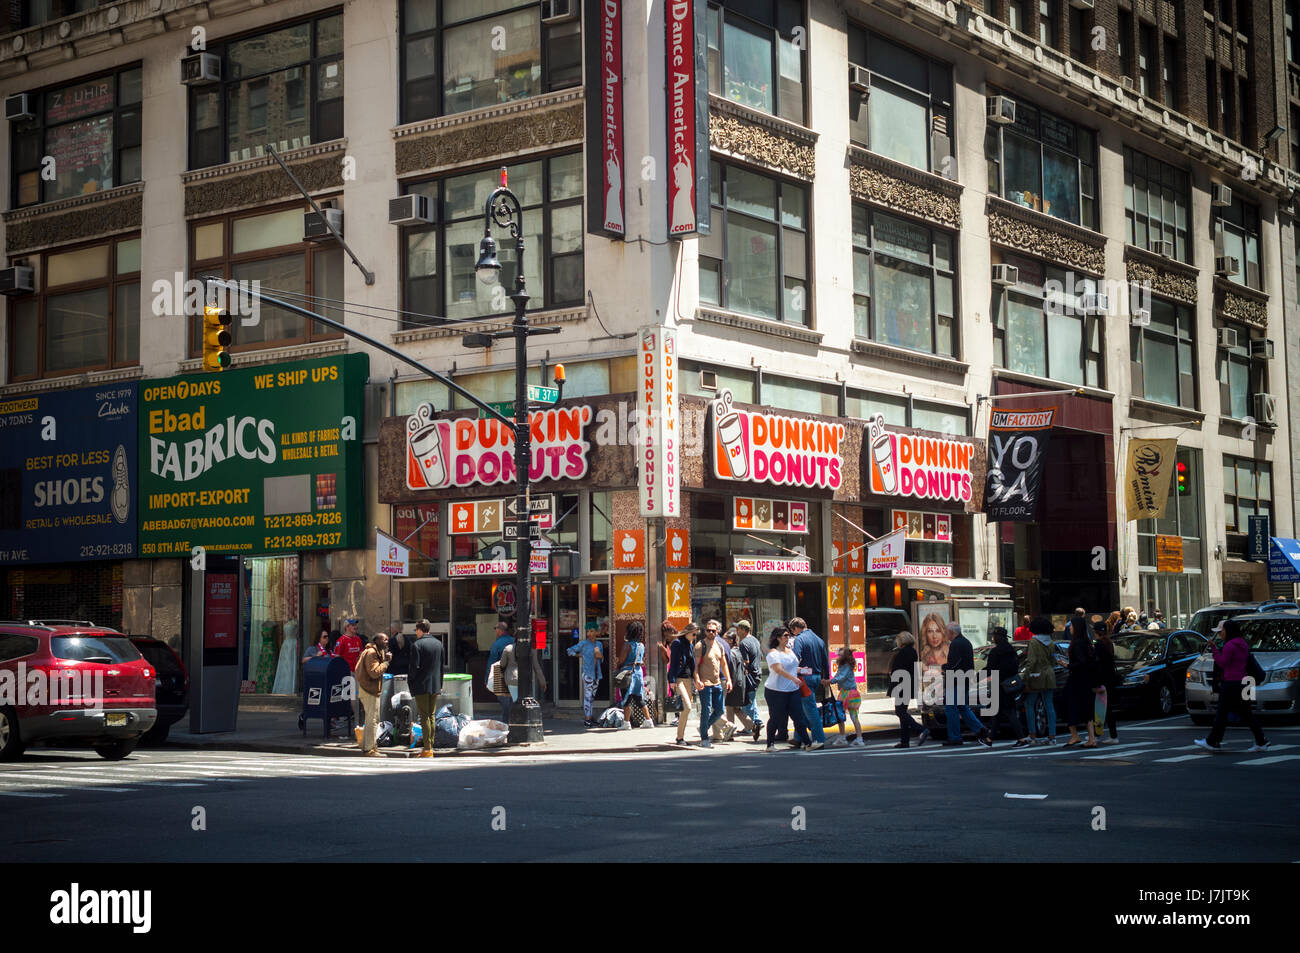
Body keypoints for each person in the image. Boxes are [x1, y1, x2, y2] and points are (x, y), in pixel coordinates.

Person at [1196, 619, 1270, 753]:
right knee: (1247, 713)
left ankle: (1212, 741)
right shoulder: (1243, 644)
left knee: (1222, 713)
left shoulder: (1229, 645)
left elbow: (1222, 663)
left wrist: (1214, 649)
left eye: (1221, 631)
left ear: (1228, 631)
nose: (1219, 634)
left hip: (1231, 683)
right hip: (1245, 681)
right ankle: (1261, 740)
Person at [941, 620, 990, 746]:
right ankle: (980, 729)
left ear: (952, 632)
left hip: (956, 680)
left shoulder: (956, 644)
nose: (946, 634)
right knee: (962, 706)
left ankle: (955, 737)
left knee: (951, 708)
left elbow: (954, 663)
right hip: (966, 679)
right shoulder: (966, 642)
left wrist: (945, 668)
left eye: (947, 632)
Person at [764, 627, 810, 752]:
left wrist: (802, 670)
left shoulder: (790, 651)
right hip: (776, 691)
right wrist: (794, 679)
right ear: (778, 638)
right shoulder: (773, 653)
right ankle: (770, 744)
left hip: (792, 690)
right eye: (785, 635)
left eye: (788, 635)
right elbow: (778, 669)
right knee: (775, 717)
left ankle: (808, 743)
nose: (788, 637)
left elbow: (792, 667)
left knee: (799, 718)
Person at [983, 626, 1029, 747]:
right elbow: (1016, 666)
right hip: (1009, 685)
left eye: (994, 636)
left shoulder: (995, 652)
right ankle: (989, 739)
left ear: (996, 637)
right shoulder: (1011, 650)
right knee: (999, 712)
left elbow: (989, 669)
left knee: (1008, 712)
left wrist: (975, 678)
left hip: (999, 685)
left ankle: (1022, 738)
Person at [789, 617, 828, 751]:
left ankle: (819, 739)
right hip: (817, 677)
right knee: (803, 708)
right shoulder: (819, 639)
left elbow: (796, 658)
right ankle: (798, 737)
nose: (793, 634)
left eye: (792, 631)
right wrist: (826, 677)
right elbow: (825, 661)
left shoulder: (799, 639)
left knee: (810, 710)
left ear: (795, 629)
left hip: (805, 678)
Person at [408, 620, 444, 758]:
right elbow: (440, 667)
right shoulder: (438, 643)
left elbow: (413, 668)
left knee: (424, 716)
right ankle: (431, 745)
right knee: (432, 715)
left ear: (419, 630)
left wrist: (410, 682)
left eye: (416, 630)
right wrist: (440, 684)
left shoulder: (417, 645)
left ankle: (427, 748)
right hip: (435, 684)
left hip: (421, 685)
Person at [694, 619, 732, 748]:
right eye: (708, 630)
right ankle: (704, 738)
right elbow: (696, 666)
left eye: (713, 630)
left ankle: (704, 727)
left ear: (717, 632)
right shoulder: (700, 645)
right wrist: (697, 680)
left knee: (720, 710)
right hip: (705, 684)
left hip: (717, 683)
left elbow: (724, 664)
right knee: (706, 710)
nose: (710, 632)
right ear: (705, 631)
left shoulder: (719, 645)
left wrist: (729, 680)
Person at [1064, 616, 1100, 748]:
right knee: (1087, 708)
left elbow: (1081, 663)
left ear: (1077, 628)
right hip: (1087, 679)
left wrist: (1067, 665)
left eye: (1072, 626)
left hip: (1078, 679)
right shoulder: (1086, 641)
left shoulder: (1078, 643)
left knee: (1069, 703)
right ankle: (1091, 738)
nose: (1069, 628)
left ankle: (1076, 735)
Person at [1023, 616, 1058, 745]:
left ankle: (1032, 734)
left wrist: (1025, 677)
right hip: (1049, 674)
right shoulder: (1051, 642)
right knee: (1049, 705)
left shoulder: (1034, 642)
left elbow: (1031, 662)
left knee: (1030, 704)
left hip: (1036, 675)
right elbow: (1053, 660)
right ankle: (1052, 736)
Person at [354, 632, 391, 757]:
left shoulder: (375, 652)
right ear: (377, 641)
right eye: (384, 639)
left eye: (387, 640)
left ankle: (367, 746)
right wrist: (386, 662)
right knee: (373, 720)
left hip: (369, 689)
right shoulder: (372, 653)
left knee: (371, 719)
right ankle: (369, 749)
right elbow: (374, 672)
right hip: (369, 690)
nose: (387, 642)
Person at [889, 632, 927, 747]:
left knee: (899, 711)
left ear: (902, 641)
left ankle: (920, 729)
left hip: (901, 685)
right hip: (908, 684)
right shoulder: (912, 651)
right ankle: (904, 740)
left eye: (898, 640)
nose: (897, 642)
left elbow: (898, 669)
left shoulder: (903, 653)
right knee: (903, 711)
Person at [500, 639, 548, 724]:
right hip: (527, 679)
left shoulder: (508, 648)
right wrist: (542, 681)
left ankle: (514, 722)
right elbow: (536, 667)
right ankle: (523, 721)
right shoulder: (532, 650)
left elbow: (502, 664)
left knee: (514, 702)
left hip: (512, 678)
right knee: (525, 702)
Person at [616, 621, 653, 729]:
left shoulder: (627, 645)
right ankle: (648, 720)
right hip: (638, 673)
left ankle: (626, 723)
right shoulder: (641, 645)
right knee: (638, 697)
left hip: (627, 673)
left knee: (626, 698)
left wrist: (618, 666)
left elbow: (621, 660)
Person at [667, 622, 698, 745]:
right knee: (687, 707)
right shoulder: (677, 643)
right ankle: (679, 737)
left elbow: (692, 663)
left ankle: (680, 737)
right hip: (679, 679)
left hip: (688, 680)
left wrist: (695, 680)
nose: (695, 637)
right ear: (688, 632)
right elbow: (673, 663)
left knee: (686, 709)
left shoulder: (690, 645)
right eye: (694, 634)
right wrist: (672, 680)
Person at [568, 624, 604, 727]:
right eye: (588, 631)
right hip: (588, 673)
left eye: (592, 631)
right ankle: (587, 719)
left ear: (596, 632)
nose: (589, 633)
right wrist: (579, 655)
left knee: (592, 697)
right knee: (588, 696)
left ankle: (590, 717)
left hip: (597, 673)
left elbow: (602, 659)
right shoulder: (583, 644)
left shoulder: (599, 644)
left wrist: (598, 654)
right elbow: (570, 650)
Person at [735, 620, 765, 741]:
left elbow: (745, 661)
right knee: (751, 701)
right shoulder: (755, 640)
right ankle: (749, 727)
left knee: (746, 702)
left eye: (738, 629)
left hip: (749, 676)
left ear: (743, 630)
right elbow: (760, 656)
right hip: (757, 674)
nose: (737, 631)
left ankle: (757, 721)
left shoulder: (743, 643)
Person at [722, 630, 754, 740]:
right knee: (735, 708)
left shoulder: (731, 653)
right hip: (740, 683)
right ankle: (753, 726)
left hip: (734, 683)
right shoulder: (737, 651)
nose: (722, 641)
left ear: (730, 641)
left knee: (729, 708)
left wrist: (729, 683)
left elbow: (732, 670)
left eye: (725, 639)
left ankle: (729, 734)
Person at [1094, 616, 1121, 744]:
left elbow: (1098, 665)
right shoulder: (1108, 643)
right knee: (1108, 708)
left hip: (1102, 680)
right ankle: (1112, 735)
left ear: (1096, 632)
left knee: (1100, 708)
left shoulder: (1099, 645)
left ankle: (1098, 735)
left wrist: (1097, 682)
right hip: (1110, 679)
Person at [829, 646, 863, 745]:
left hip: (847, 694)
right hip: (851, 693)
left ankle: (843, 737)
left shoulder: (846, 666)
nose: (837, 656)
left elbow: (841, 677)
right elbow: (839, 676)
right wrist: (831, 680)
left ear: (845, 657)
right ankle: (858, 738)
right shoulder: (845, 665)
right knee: (853, 716)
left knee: (840, 715)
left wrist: (830, 681)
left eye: (840, 655)